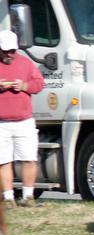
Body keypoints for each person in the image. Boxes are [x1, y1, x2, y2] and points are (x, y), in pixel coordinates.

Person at [0, 30, 44, 210]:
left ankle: (28, 196)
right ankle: (8, 197)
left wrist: (24, 86)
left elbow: (39, 83)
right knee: (3, 161)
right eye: (6, 50)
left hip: (24, 121)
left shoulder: (26, 63)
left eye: (12, 50)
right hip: (1, 123)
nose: (10, 54)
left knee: (28, 158)